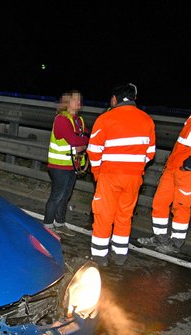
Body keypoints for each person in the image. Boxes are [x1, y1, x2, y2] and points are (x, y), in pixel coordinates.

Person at [138, 84, 191, 252]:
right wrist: (172, 165)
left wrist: (188, 166)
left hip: (188, 171)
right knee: (160, 201)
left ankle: (176, 243)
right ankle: (159, 237)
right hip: (173, 168)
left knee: (180, 206)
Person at [87, 83, 156, 267]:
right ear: (134, 99)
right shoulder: (147, 120)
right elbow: (150, 153)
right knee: (125, 214)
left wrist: (97, 174)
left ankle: (100, 256)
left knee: (103, 214)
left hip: (109, 174)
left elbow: (93, 151)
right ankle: (120, 254)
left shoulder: (106, 118)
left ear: (114, 99)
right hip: (134, 177)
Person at [43, 90, 89, 237]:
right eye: (75, 99)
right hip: (59, 165)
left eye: (80, 99)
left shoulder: (79, 120)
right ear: (67, 102)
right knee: (57, 195)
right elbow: (75, 141)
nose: (79, 102)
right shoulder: (62, 119)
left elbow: (88, 137)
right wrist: (83, 142)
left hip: (73, 165)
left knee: (65, 196)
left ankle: (60, 223)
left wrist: (83, 142)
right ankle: (48, 225)